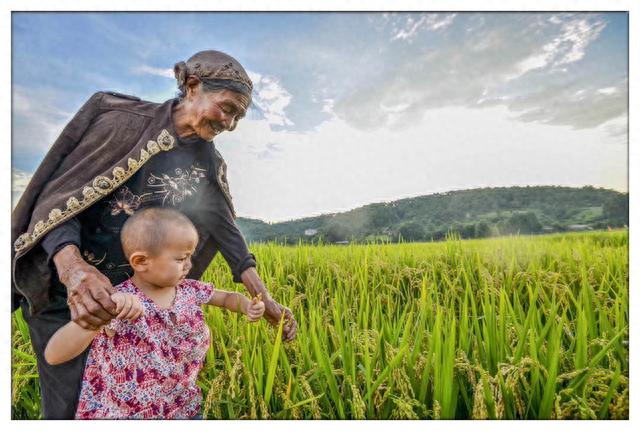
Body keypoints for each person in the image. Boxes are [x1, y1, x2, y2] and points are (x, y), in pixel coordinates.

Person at [11, 50, 297, 419]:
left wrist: (264, 296)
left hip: (136, 305)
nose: (230, 123)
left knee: (136, 397)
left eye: (239, 116)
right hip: (73, 294)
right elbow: (59, 203)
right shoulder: (122, 124)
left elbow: (227, 230)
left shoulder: (207, 162)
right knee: (71, 403)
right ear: (193, 87)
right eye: (227, 108)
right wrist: (74, 271)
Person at [44, 207, 265, 419]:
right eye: (180, 258)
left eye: (189, 256)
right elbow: (54, 355)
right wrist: (103, 315)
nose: (189, 264)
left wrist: (247, 306)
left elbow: (226, 298)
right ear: (141, 261)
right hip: (127, 415)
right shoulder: (119, 302)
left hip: (182, 409)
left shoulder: (189, 290)